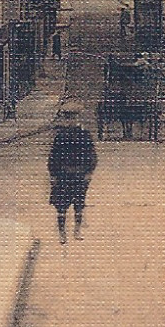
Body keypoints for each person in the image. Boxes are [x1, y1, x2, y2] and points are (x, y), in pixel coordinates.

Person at [47, 102, 98, 243]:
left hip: (79, 175)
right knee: (61, 205)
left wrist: (89, 172)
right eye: (67, 118)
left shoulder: (84, 134)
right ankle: (62, 233)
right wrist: (53, 175)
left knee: (79, 203)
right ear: (64, 119)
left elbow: (91, 155)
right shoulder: (60, 137)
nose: (70, 121)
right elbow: (53, 157)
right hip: (63, 175)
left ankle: (77, 230)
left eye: (73, 118)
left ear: (78, 118)